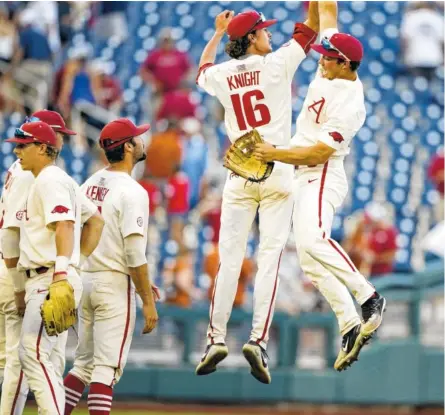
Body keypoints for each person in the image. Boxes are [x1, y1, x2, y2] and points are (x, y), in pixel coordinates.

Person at [253, 1, 386, 371]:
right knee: (309, 261)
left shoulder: (351, 104)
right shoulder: (333, 61)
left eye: (328, 57)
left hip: (323, 172)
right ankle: (348, 323)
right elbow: (328, 10)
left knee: (313, 241)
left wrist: (273, 153)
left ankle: (370, 297)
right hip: (302, 172)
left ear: (346, 64)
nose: (320, 59)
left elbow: (316, 154)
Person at [194, 5, 319, 384]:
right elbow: (311, 30)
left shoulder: (222, 74)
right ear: (251, 37)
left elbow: (201, 71)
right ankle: (257, 341)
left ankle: (214, 339)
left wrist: (218, 33)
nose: (269, 34)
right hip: (278, 167)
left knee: (229, 262)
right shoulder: (277, 63)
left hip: (240, 172)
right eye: (263, 30)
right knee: (269, 259)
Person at [3, 121, 104, 414]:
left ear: (44, 149)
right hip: (51, 276)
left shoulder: (49, 179)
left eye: (24, 145)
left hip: (49, 276)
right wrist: (76, 263)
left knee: (32, 354)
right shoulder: (54, 179)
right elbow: (95, 220)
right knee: (39, 356)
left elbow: (65, 224)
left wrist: (64, 270)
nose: (18, 151)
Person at [63, 118, 159, 415]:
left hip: (85, 279)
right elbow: (133, 255)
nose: (142, 141)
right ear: (128, 147)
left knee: (83, 366)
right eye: (137, 138)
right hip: (114, 285)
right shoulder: (133, 191)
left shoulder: (89, 183)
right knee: (105, 370)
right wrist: (147, 301)